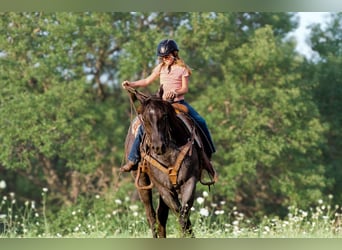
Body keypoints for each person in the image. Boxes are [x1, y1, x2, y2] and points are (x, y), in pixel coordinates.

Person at [120, 39, 216, 173]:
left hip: (178, 103)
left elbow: (185, 89)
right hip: (163, 104)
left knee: (200, 121)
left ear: (175, 54)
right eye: (162, 58)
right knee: (144, 126)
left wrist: (175, 92)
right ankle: (132, 159)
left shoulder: (182, 69)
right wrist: (131, 84)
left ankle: (208, 154)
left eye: (167, 56)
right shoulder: (160, 68)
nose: (165, 59)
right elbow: (147, 80)